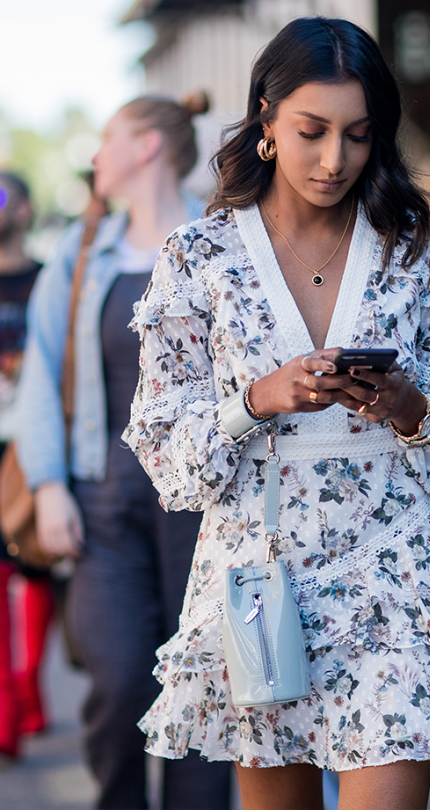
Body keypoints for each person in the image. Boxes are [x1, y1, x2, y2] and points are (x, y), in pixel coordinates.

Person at [124, 18, 430, 810]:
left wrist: (411, 408)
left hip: (394, 578)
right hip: (260, 582)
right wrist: (254, 401)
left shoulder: (420, 247)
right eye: (312, 131)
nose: (334, 159)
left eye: (357, 135)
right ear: (266, 120)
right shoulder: (197, 259)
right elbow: (168, 457)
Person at [15, 96, 232, 807]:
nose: (94, 160)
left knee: (206, 689)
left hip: (206, 508)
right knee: (117, 679)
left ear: (145, 147)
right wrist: (48, 485)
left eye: (105, 142)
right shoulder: (82, 259)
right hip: (104, 498)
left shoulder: (225, 240)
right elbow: (43, 376)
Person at [0, 172, 53, 765]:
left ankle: (28, 683)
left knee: (35, 571)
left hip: (31, 444)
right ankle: (6, 709)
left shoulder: (44, 280)